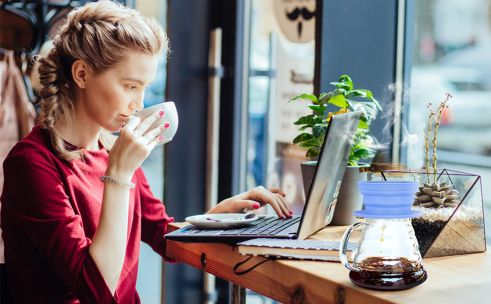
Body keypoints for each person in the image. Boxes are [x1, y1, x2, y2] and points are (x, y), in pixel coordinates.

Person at [0, 1, 291, 303]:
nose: (139, 104)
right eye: (130, 86)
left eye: (144, 88)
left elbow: (165, 238)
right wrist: (119, 174)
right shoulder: (31, 164)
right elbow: (97, 290)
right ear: (82, 74)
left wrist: (219, 217)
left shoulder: (112, 148)